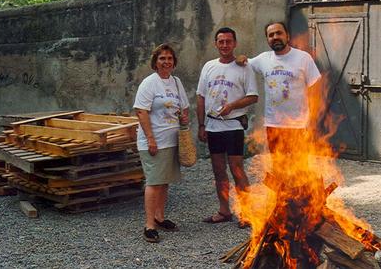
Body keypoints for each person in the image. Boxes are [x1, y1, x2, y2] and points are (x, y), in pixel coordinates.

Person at [196, 27, 258, 227]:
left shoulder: (244, 67)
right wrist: (201, 125)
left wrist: (232, 106)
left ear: (235, 43)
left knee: (236, 169)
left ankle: (247, 213)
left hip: (233, 126)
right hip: (213, 126)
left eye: (228, 41)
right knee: (218, 170)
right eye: (221, 41)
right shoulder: (208, 67)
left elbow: (253, 96)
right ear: (216, 44)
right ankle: (224, 210)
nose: (224, 45)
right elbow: (201, 97)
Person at [133, 43, 190, 243]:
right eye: (162, 58)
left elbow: (184, 108)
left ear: (174, 62)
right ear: (155, 62)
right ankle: (149, 224)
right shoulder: (150, 83)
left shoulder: (176, 82)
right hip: (153, 140)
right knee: (154, 181)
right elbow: (141, 111)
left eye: (169, 58)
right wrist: (150, 138)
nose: (166, 62)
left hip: (171, 140)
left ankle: (160, 217)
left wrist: (184, 119)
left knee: (164, 181)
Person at [242, 21, 321, 157]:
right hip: (273, 124)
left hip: (299, 125)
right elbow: (244, 63)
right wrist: (240, 58)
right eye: (271, 35)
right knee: (278, 165)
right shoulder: (263, 59)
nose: (275, 37)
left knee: (299, 168)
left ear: (287, 36)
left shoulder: (303, 58)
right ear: (267, 39)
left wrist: (313, 120)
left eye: (279, 33)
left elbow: (316, 90)